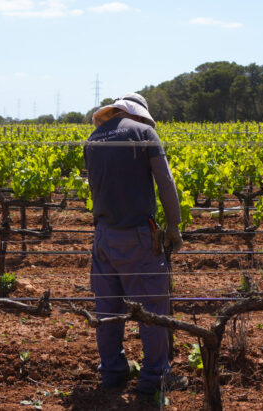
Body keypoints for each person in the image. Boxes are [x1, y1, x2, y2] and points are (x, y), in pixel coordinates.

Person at [84, 93, 184, 397]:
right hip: (138, 236)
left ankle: (113, 372)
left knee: (107, 307)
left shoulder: (92, 139)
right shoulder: (143, 132)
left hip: (102, 236)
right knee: (153, 305)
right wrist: (174, 226)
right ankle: (155, 377)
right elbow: (165, 182)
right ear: (138, 114)